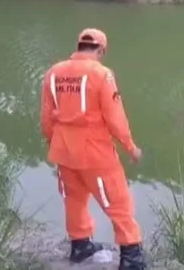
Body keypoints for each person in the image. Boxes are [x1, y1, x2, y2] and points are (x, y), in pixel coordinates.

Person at [39, 28, 146, 270]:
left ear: (78, 46)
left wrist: (53, 143)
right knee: (118, 202)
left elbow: (46, 118)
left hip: (63, 151)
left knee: (74, 200)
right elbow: (115, 118)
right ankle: (131, 257)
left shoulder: (53, 73)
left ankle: (80, 246)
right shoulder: (102, 74)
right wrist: (131, 148)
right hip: (95, 153)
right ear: (101, 50)